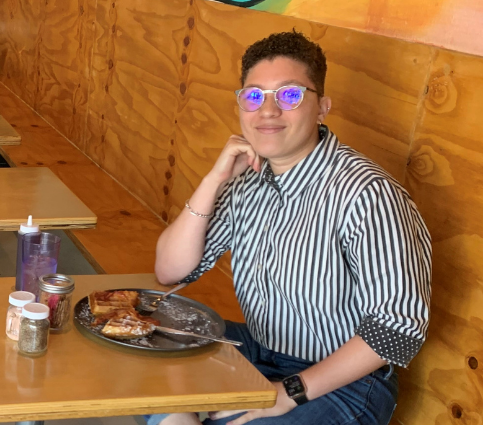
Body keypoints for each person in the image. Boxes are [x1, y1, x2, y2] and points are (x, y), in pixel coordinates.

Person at [148, 31, 431, 425]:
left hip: (345, 382)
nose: (268, 110)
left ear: (322, 108)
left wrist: (288, 392)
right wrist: (214, 179)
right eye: (254, 96)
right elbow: (170, 270)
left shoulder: (367, 193)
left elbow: (396, 330)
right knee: (142, 342)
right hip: (259, 348)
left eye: (290, 95)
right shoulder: (246, 181)